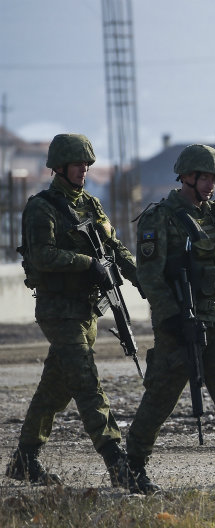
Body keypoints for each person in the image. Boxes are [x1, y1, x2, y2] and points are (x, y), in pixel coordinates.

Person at [126, 144, 215, 495]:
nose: (210, 185)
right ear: (186, 176)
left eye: (214, 179)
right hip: (180, 323)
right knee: (161, 396)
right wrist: (173, 318)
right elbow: (150, 276)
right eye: (204, 177)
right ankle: (131, 466)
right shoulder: (160, 217)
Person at [5, 133, 136, 488]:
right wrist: (88, 263)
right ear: (59, 167)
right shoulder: (41, 208)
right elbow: (42, 256)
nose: (85, 170)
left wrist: (143, 278)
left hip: (86, 311)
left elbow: (114, 246)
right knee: (86, 382)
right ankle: (117, 463)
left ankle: (24, 460)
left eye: (88, 164)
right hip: (57, 311)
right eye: (78, 164)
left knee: (54, 390)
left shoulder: (91, 205)